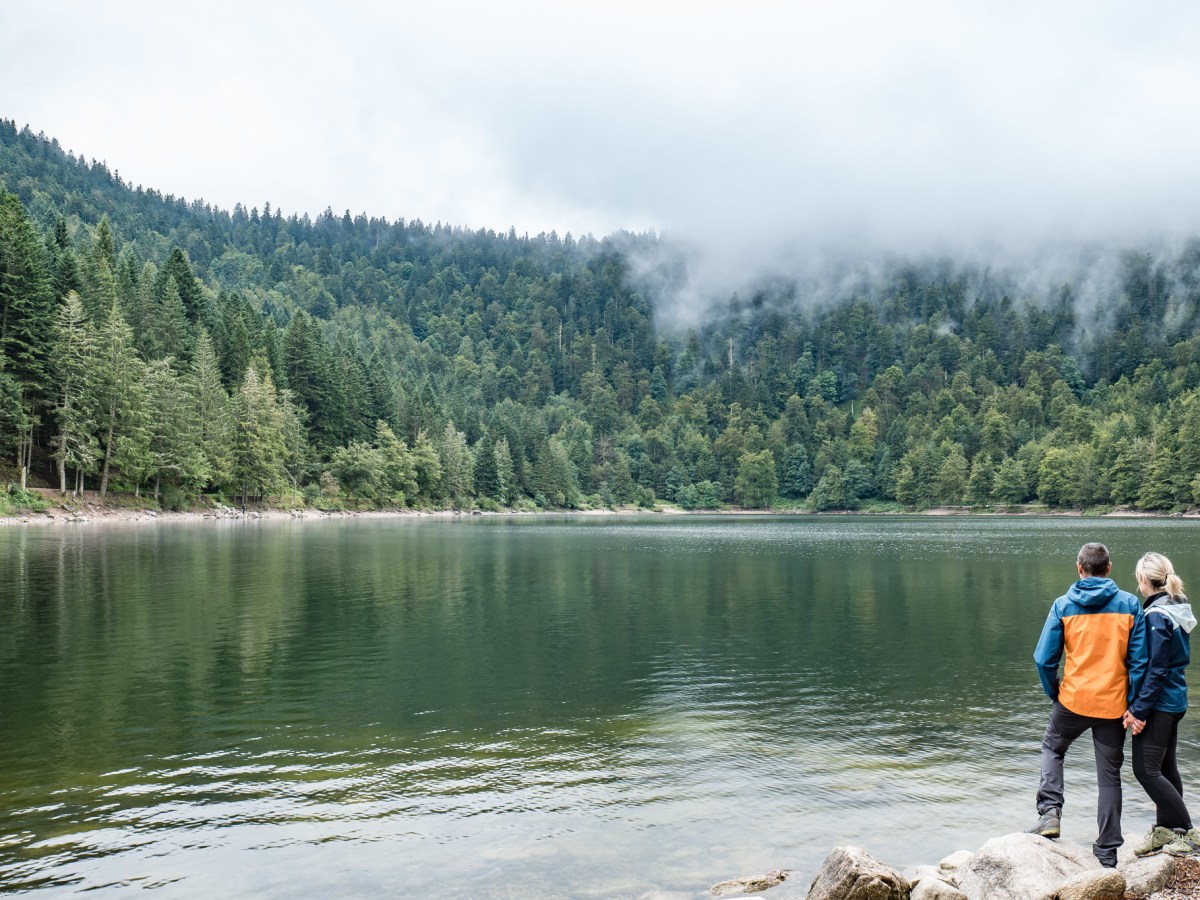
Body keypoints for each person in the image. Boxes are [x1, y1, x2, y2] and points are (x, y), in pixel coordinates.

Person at [1027, 542, 1147, 868]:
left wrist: (1054, 692)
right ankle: (1107, 853)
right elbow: (1139, 662)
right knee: (1109, 778)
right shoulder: (1129, 604)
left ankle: (1050, 813)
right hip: (1113, 704)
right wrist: (1133, 703)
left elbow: (1043, 658)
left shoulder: (1063, 605)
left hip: (1073, 700)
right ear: (1108, 568)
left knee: (1053, 749)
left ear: (1079, 568)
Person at [1124, 552, 1199, 857]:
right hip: (1175, 697)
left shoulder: (1157, 615)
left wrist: (1139, 711)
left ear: (1144, 579)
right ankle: (1166, 831)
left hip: (1161, 702)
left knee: (1145, 769)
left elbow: (1156, 668)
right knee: (1165, 767)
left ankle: (1187, 832)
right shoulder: (1176, 606)